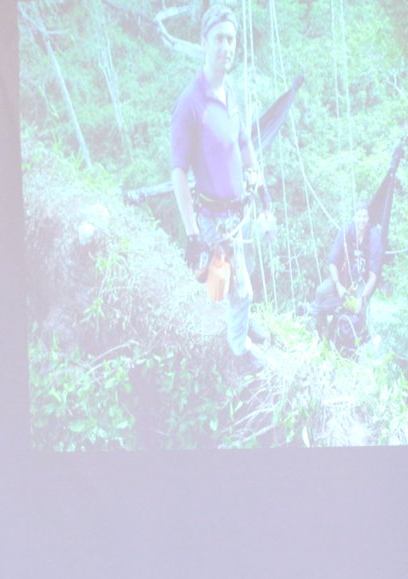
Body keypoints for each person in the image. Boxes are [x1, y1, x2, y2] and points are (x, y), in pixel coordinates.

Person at [170, 3, 268, 373]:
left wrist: (254, 172)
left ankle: (241, 320)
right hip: (212, 215)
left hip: (237, 211)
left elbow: (242, 141)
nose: (226, 47)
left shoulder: (230, 93)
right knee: (241, 289)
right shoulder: (191, 104)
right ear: (204, 42)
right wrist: (192, 232)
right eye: (219, 39)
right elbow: (178, 172)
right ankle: (237, 353)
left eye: (231, 40)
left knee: (243, 272)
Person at [310, 205, 384, 341]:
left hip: (362, 284)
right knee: (321, 292)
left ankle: (348, 341)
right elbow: (332, 263)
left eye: (364, 216)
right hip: (343, 280)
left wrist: (363, 298)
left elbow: (374, 276)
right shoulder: (346, 231)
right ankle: (320, 332)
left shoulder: (374, 237)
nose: (361, 220)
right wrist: (338, 285)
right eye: (359, 216)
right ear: (354, 218)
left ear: (368, 219)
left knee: (356, 312)